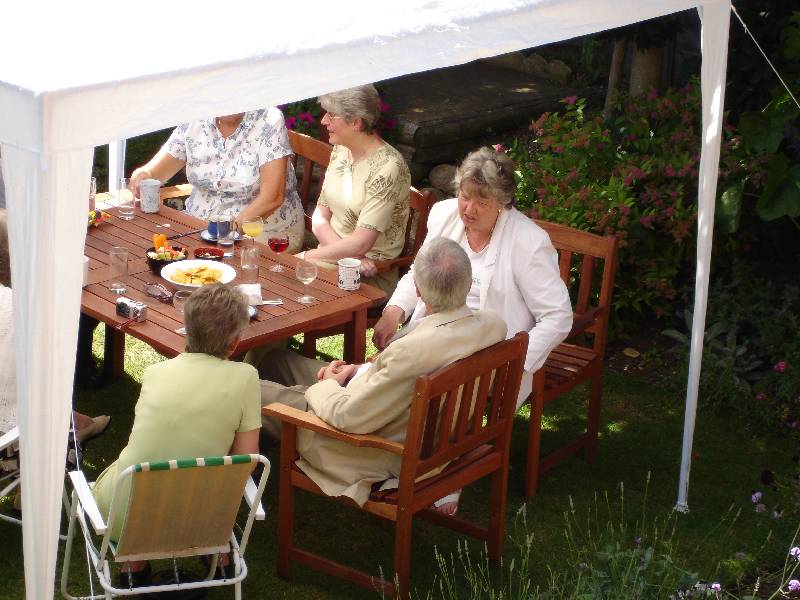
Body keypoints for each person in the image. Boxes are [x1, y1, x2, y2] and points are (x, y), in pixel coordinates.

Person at [373, 147, 573, 483]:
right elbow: (418, 274)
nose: (468, 208)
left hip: (493, 345)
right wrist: (393, 311)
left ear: (503, 202)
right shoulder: (443, 216)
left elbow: (558, 317)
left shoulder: (528, 242)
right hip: (435, 329)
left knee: (449, 383)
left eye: (481, 202)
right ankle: (387, 452)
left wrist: (514, 361)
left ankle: (444, 472)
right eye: (465, 196)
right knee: (397, 371)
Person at [260, 237, 506, 509]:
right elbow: (399, 374)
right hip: (397, 413)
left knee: (247, 387)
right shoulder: (493, 327)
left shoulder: (411, 353)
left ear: (419, 292)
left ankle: (237, 460)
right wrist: (360, 370)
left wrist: (329, 384)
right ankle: (254, 446)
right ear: (468, 285)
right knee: (275, 360)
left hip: (368, 444)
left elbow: (348, 416)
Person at [91, 284, 261, 583]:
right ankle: (216, 551)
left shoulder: (156, 373)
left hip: (125, 514)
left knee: (134, 469)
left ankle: (135, 564)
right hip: (200, 521)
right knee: (201, 482)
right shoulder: (246, 377)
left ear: (186, 329)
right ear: (234, 343)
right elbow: (245, 461)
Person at [0, 210, 108, 511]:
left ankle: (79, 424)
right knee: (46, 406)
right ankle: (31, 486)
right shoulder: (23, 312)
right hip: (13, 445)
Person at [129, 108, 305, 253]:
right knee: (145, 250)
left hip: (262, 231)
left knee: (209, 277)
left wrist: (224, 232)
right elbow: (153, 171)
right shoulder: (195, 118)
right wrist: (142, 176)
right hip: (197, 226)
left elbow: (272, 197)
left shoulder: (269, 119)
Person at [298, 84, 411, 295]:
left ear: (356, 122)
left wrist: (308, 256)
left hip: (370, 275)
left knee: (287, 277)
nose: (323, 121)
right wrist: (348, 257)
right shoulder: (341, 150)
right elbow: (320, 218)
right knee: (280, 278)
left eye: (332, 116)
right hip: (343, 260)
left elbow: (361, 243)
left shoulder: (388, 167)